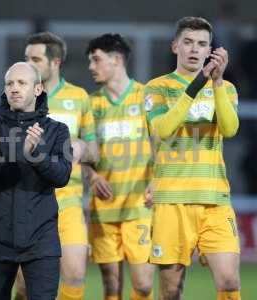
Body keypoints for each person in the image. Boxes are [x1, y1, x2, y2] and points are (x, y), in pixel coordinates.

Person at [144, 16, 240, 299]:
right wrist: (196, 86)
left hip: (215, 200)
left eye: (201, 44)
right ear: (175, 46)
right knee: (171, 290)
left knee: (229, 282)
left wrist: (218, 82)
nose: (194, 49)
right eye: (188, 42)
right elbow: (162, 129)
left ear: (209, 49)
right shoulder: (157, 87)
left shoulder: (226, 89)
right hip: (172, 201)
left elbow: (230, 128)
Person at [0, 62, 72, 300]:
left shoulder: (58, 130)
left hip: (41, 240)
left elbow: (62, 176)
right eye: (9, 83)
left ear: (37, 89)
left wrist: (35, 155)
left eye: (21, 83)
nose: (14, 88)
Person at [14, 31, 97, 300]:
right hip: (29, 202)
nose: (27, 64)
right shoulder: (18, 97)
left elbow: (94, 151)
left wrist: (83, 148)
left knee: (74, 275)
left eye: (35, 59)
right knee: (25, 287)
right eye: (26, 58)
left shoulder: (79, 97)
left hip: (68, 203)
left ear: (56, 62)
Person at [84, 34, 155, 300]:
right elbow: (82, 156)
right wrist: (91, 176)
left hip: (140, 206)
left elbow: (165, 146)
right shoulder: (91, 105)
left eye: (96, 59)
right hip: (104, 209)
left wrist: (157, 180)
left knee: (144, 285)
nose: (91, 66)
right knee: (111, 288)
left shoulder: (146, 97)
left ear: (116, 60)